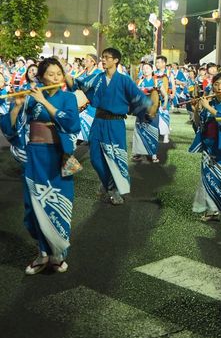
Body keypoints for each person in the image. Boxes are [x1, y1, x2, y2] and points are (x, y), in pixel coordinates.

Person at [1, 58, 81, 274]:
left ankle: (57, 254)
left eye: (59, 74)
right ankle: (43, 253)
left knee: (59, 203)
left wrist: (45, 102)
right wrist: (17, 107)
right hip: (35, 156)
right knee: (32, 207)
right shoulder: (29, 98)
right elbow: (9, 128)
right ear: (41, 76)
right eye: (51, 74)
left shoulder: (68, 97)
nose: (56, 78)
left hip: (59, 157)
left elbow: (73, 124)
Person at [65, 48, 157, 205]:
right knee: (95, 158)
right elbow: (79, 84)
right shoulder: (97, 78)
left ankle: (113, 189)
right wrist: (62, 73)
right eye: (103, 57)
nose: (103, 59)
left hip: (115, 124)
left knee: (114, 158)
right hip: (98, 122)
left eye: (107, 57)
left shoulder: (124, 79)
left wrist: (151, 106)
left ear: (116, 60)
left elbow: (139, 98)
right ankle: (107, 182)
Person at [188, 72, 221, 226]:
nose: (219, 87)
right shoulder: (209, 103)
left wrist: (208, 108)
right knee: (209, 180)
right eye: (216, 84)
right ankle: (212, 211)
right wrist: (197, 110)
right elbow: (199, 125)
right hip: (209, 147)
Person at [131, 62, 161, 164]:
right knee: (139, 132)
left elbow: (159, 94)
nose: (145, 70)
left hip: (153, 110)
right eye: (143, 68)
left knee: (152, 132)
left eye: (147, 68)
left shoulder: (157, 81)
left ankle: (153, 154)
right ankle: (138, 153)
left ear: (152, 70)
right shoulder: (139, 81)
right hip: (141, 110)